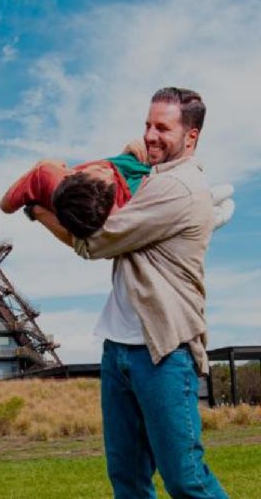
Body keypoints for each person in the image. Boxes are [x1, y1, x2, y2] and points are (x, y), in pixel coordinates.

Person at [29, 87, 229, 498]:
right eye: (147, 125)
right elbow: (107, 190)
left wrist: (39, 210)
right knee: (128, 480)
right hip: (119, 348)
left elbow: (96, 240)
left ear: (190, 137)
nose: (151, 136)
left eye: (163, 128)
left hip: (162, 352)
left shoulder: (178, 189)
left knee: (186, 480)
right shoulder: (150, 179)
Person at [0, 140, 150, 239]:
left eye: (100, 171)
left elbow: (5, 206)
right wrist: (38, 212)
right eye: (107, 180)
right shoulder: (130, 204)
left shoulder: (48, 175)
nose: (108, 170)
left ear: (73, 174)